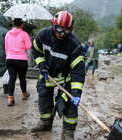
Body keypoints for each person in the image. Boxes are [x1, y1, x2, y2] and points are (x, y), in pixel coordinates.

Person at [31, 11, 85, 140]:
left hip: (66, 78)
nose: (62, 34)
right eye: (60, 29)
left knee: (70, 104)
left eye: (66, 31)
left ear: (71, 30)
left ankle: (68, 132)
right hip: (47, 74)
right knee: (44, 99)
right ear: (53, 26)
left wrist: (76, 93)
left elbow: (78, 71)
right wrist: (42, 66)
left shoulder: (74, 44)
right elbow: (36, 52)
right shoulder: (43, 35)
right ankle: (45, 123)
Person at [5, 18, 32, 106]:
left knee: (12, 78)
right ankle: (24, 94)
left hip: (10, 58)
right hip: (22, 59)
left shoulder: (8, 34)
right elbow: (28, 46)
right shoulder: (24, 34)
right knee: (22, 77)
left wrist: (8, 56)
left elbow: (7, 47)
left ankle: (10, 98)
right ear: (21, 24)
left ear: (13, 24)